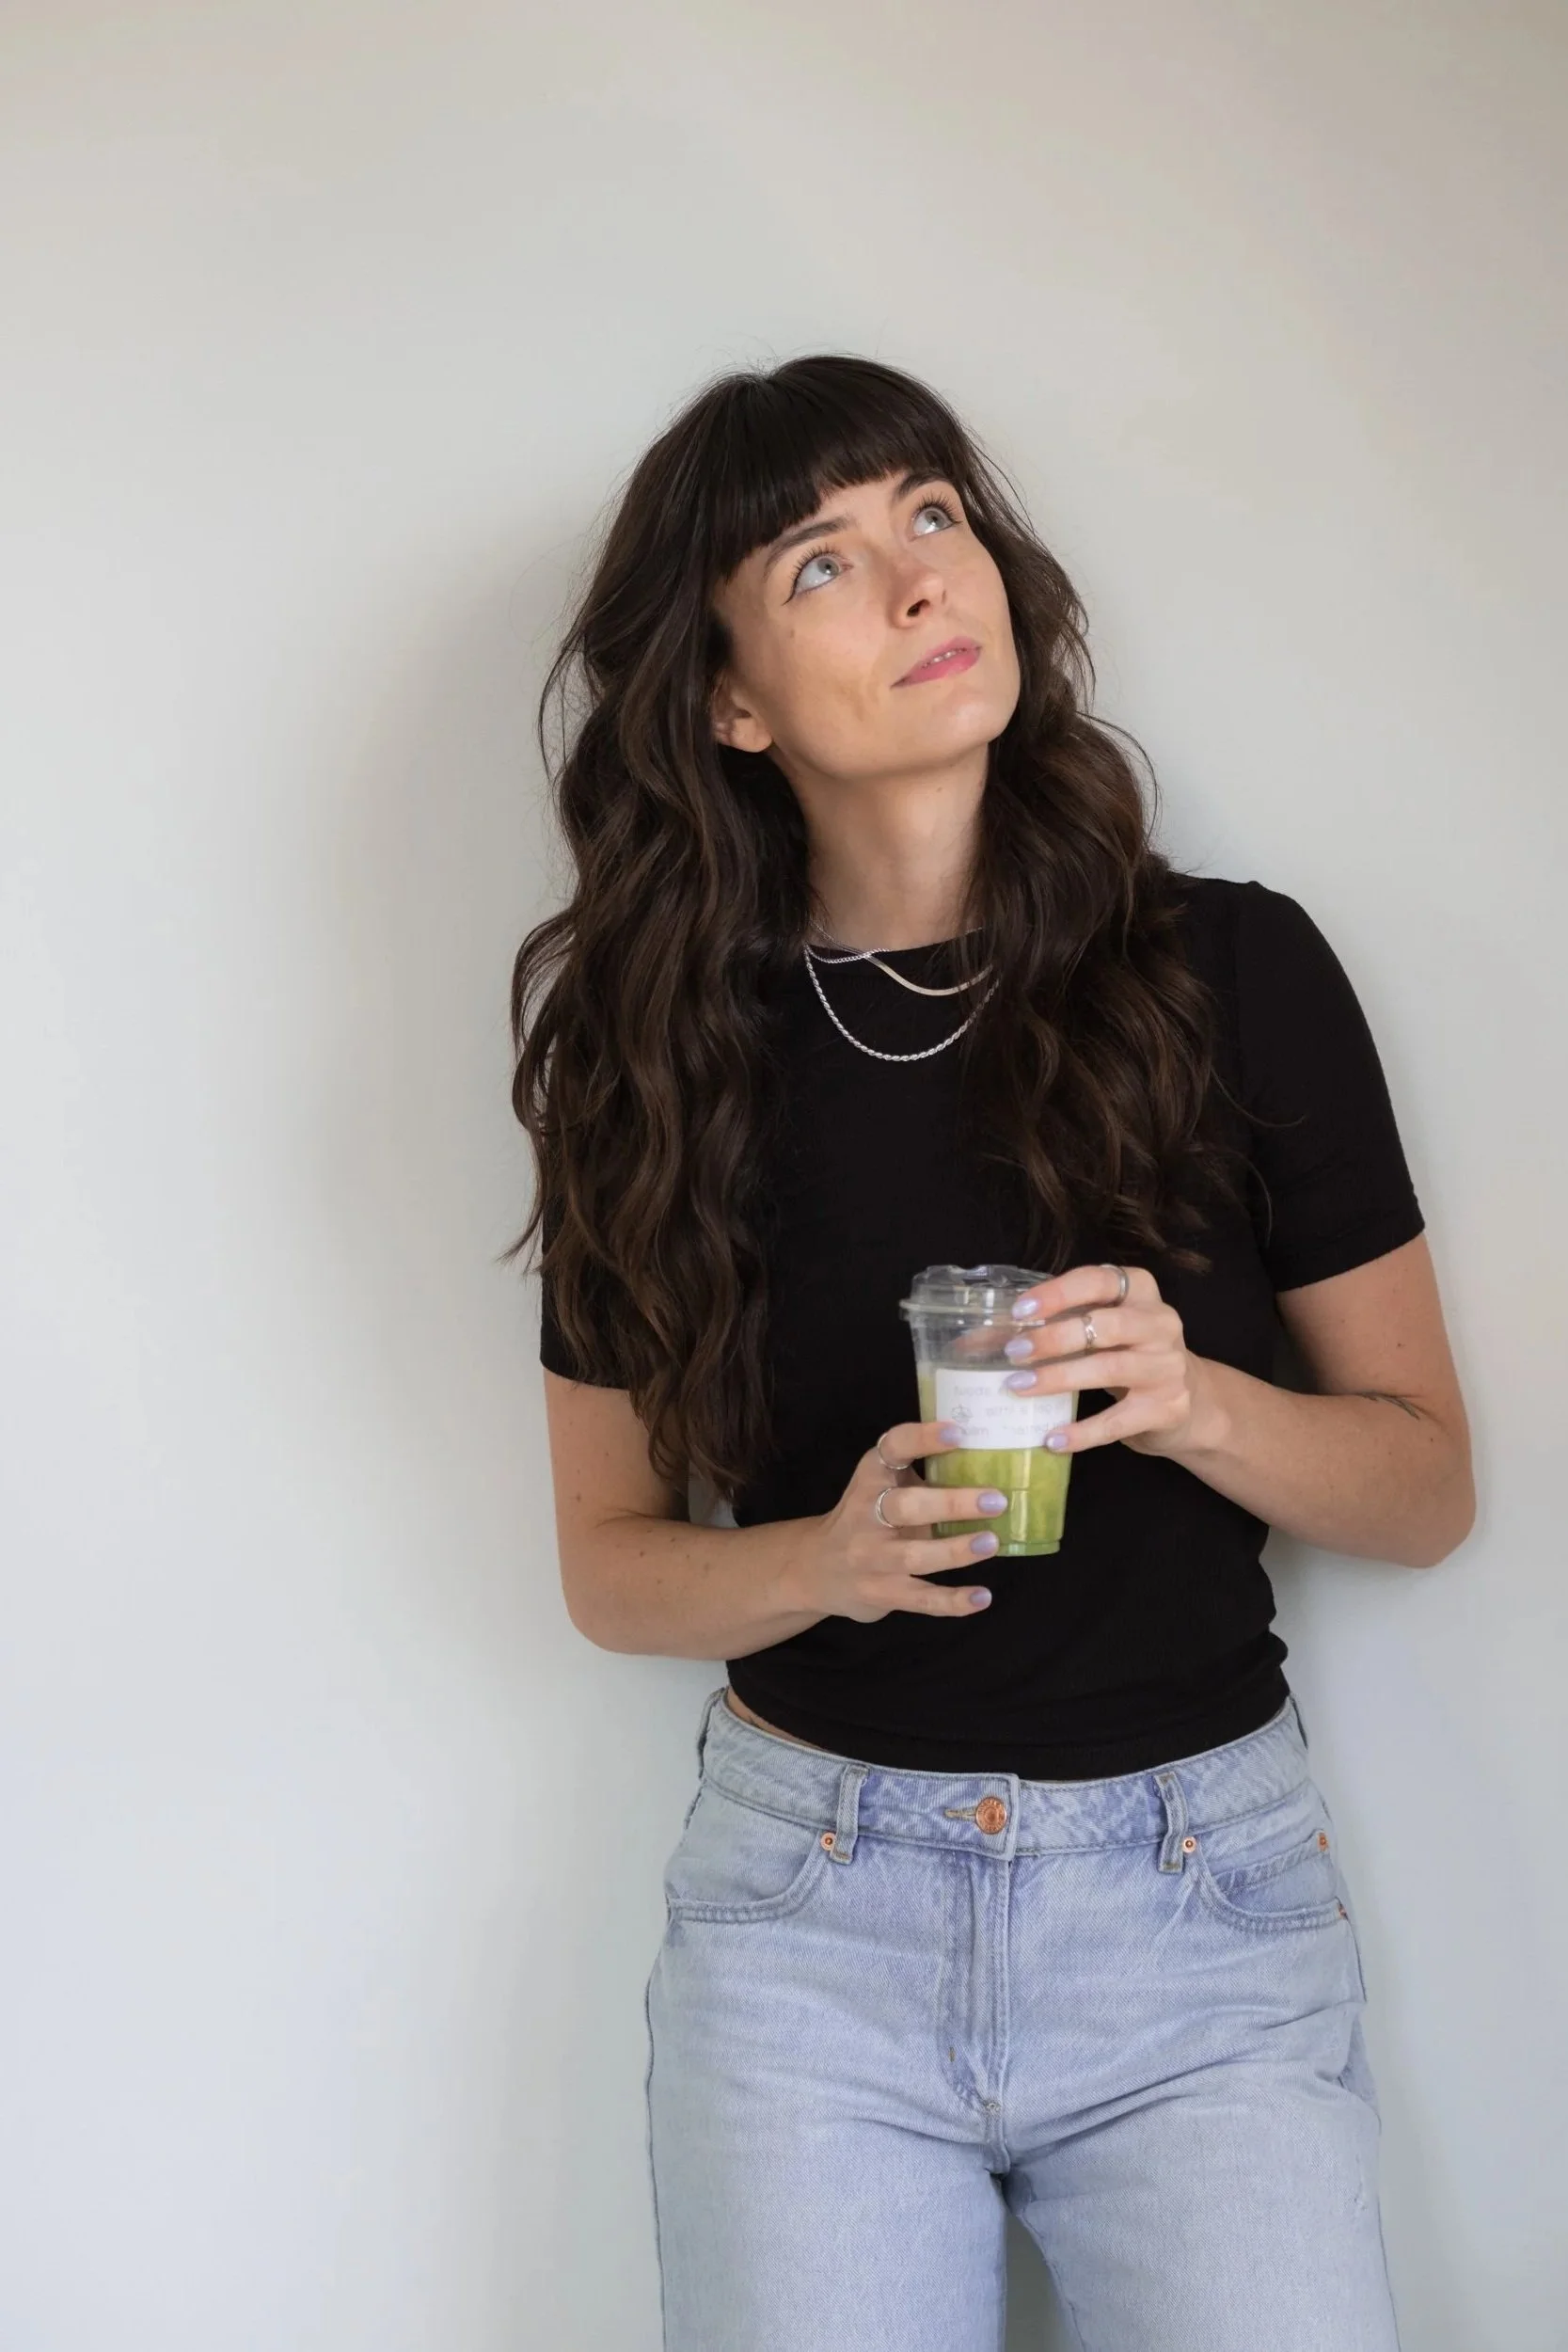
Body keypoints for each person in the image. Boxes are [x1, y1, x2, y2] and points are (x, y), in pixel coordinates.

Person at [510, 355, 1473, 2351]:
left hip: (1199, 1912)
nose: (915, 581)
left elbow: (1422, 1489)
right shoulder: (652, 1062)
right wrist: (823, 1558)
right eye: (819, 562)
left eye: (932, 516)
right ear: (729, 701)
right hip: (806, 1929)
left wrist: (1195, 1399)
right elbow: (606, 1555)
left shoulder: (1236, 974)